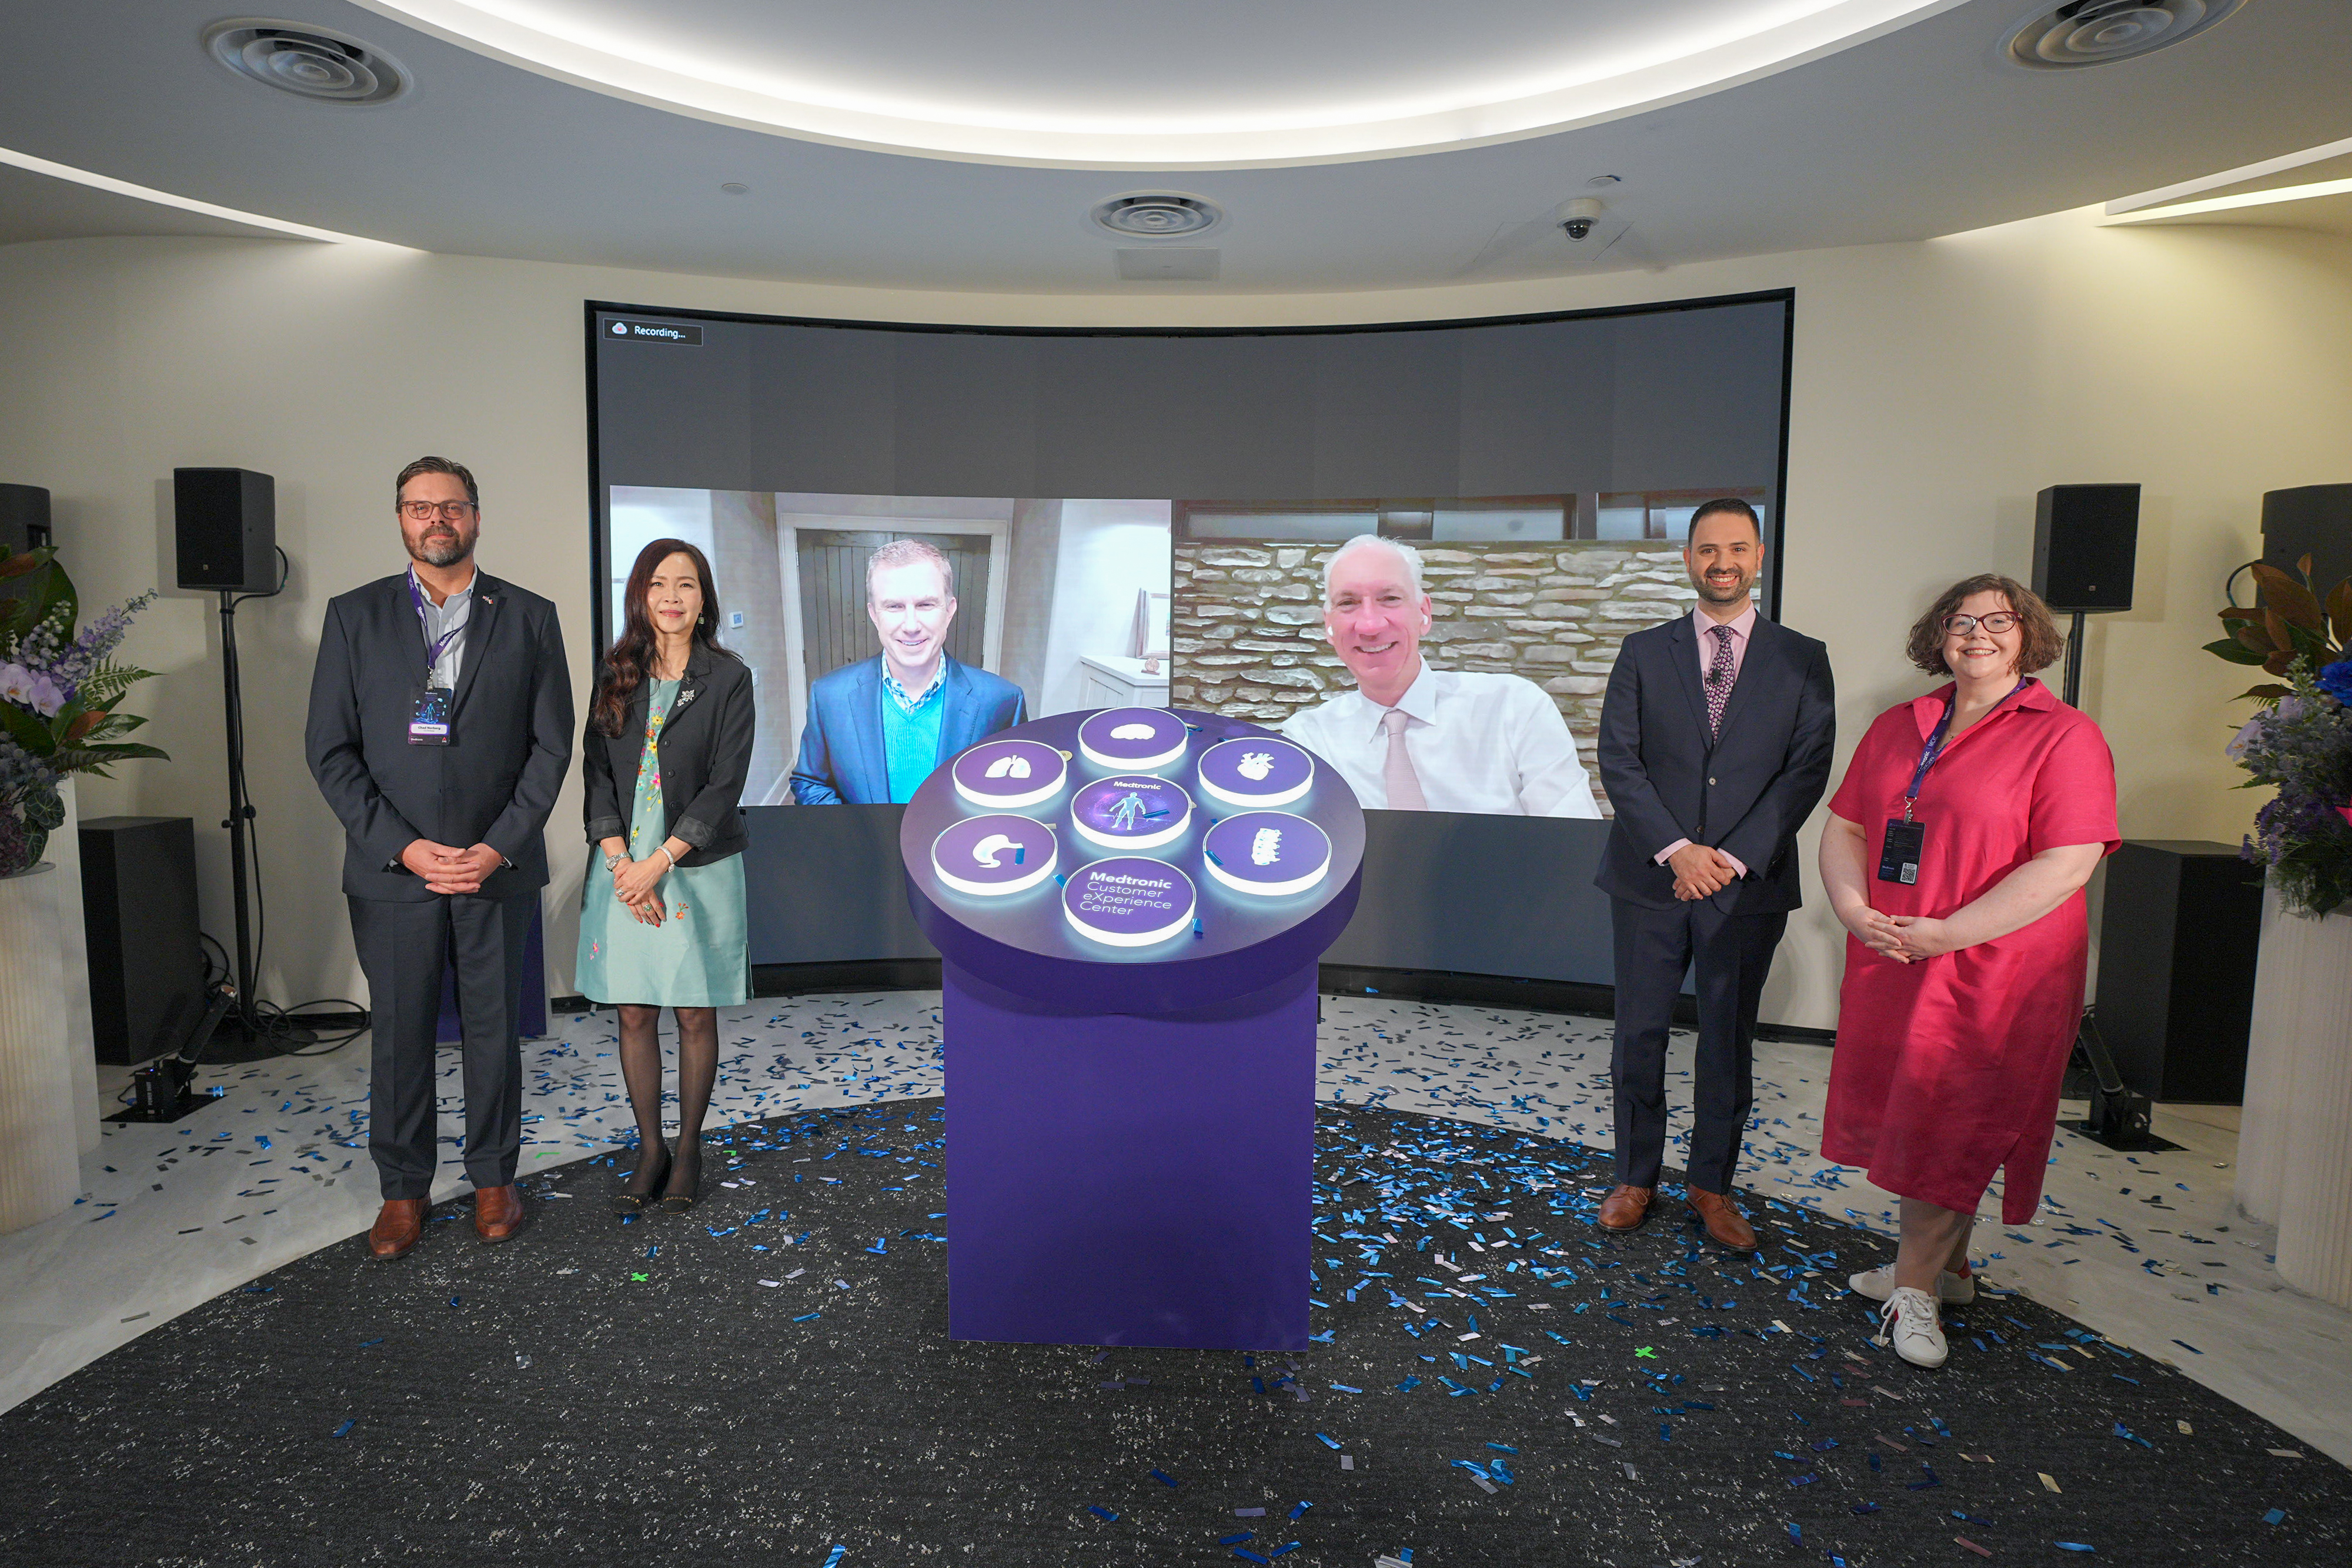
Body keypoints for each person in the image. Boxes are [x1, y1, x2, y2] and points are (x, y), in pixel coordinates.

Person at [1818, 574, 2116, 1369]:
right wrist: (1852, 909)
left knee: (1955, 1116)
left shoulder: (2065, 735)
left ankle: (1912, 1289)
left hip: (1998, 966)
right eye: (1961, 620)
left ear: (2029, 635)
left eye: (1998, 620)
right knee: (1917, 1112)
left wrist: (1951, 931)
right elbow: (1846, 827)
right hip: (1897, 952)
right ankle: (1947, 1268)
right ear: (1938, 634)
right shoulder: (1898, 725)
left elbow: (2067, 862)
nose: (1977, 633)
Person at [306, 456, 572, 1260]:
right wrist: (404, 845)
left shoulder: (527, 615)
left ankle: (495, 1178)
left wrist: (498, 845)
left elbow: (550, 747)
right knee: (400, 1033)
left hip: (497, 865)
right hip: (395, 869)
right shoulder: (355, 616)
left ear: (477, 517)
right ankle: (402, 1189)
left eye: (451, 506)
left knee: (493, 1031)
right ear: (400, 519)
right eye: (420, 507)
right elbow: (329, 750)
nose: (436, 520)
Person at [1592, 498, 1835, 1252]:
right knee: (1639, 1034)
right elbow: (1618, 761)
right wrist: (1678, 848)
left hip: (1746, 885)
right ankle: (1635, 1176)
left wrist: (1727, 857)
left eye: (1736, 547)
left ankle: (1712, 1185)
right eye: (1706, 548)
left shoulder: (1802, 657)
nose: (1721, 561)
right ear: (1688, 558)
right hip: (1651, 878)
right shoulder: (1643, 650)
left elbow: (1805, 771)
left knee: (1726, 1040)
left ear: (1759, 556)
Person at [577, 539, 755, 1215]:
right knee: (632, 1010)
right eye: (659, 584)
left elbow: (724, 783)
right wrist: (622, 862)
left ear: (704, 598)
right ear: (641, 595)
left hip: (692, 862)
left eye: (686, 585)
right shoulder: (616, 671)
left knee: (691, 1009)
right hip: (623, 865)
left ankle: (688, 1149)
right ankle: (649, 1146)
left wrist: (657, 863)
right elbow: (595, 770)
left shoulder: (729, 678)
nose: (672, 597)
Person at [1281, 534, 1601, 815]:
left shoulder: (1514, 709)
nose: (1370, 625)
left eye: (1390, 599)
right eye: (1348, 603)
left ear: (1424, 613)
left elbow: (1573, 847)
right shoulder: (1310, 741)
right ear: (1329, 625)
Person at [789, 538, 1025, 804]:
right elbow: (810, 782)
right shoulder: (829, 696)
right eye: (894, 606)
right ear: (874, 614)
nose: (911, 625)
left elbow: (1015, 794)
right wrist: (853, 837)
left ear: (949, 610)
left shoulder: (1003, 701)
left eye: (926, 605)